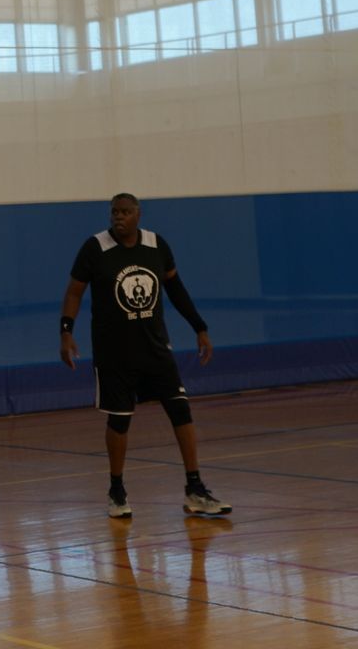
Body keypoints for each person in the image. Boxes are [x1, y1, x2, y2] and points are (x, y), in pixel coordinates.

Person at [59, 193, 230, 519]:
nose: (118, 217)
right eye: (114, 212)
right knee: (120, 420)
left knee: (181, 410)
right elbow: (74, 292)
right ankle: (116, 489)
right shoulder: (95, 248)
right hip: (115, 354)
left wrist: (200, 326)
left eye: (125, 212)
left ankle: (195, 488)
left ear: (138, 214)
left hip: (155, 349)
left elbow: (176, 289)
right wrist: (66, 332)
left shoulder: (155, 245)